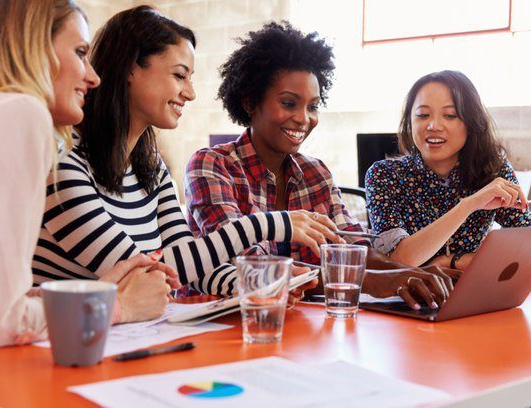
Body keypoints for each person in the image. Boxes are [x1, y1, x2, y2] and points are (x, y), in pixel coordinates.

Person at [32, 6, 338, 303]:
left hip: (122, 340)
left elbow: (191, 270)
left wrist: (264, 282)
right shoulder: (62, 161)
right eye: (180, 76)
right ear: (130, 69)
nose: (190, 92)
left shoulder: (151, 168)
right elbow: (142, 273)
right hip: (57, 347)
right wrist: (270, 224)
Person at [185, 22, 458, 310]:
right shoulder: (212, 166)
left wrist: (409, 273)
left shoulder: (316, 173)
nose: (304, 119)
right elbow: (253, 268)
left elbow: (351, 248)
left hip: (298, 329)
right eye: (289, 103)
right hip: (220, 327)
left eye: (313, 106)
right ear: (251, 101)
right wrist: (375, 281)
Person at [0, 0, 182, 349]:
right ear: (33, 47)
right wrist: (117, 305)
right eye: (80, 52)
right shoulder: (17, 113)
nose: (93, 75)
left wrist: (94, 293)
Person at [366, 70, 531, 270]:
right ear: (409, 121)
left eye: (450, 115)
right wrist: (468, 205)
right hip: (409, 298)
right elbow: (396, 261)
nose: (434, 125)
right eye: (422, 115)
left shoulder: (493, 171)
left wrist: (453, 261)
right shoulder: (384, 175)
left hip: (476, 295)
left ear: (471, 122)